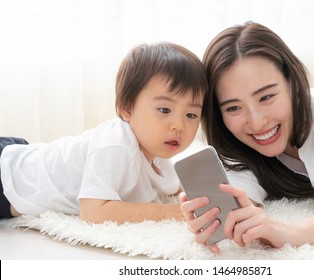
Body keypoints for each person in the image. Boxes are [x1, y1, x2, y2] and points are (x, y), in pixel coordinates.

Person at [180, 21, 314, 253]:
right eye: (233, 108)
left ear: (293, 83)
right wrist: (226, 212)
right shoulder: (240, 143)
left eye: (266, 97)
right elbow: (241, 186)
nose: (257, 122)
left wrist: (290, 232)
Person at [0, 42, 207, 224]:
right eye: (164, 110)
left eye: (191, 115)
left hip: (26, 157)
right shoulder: (116, 146)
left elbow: (173, 187)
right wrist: (163, 213)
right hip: (6, 178)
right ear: (126, 108)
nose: (178, 125)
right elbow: (93, 212)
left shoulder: (158, 152)